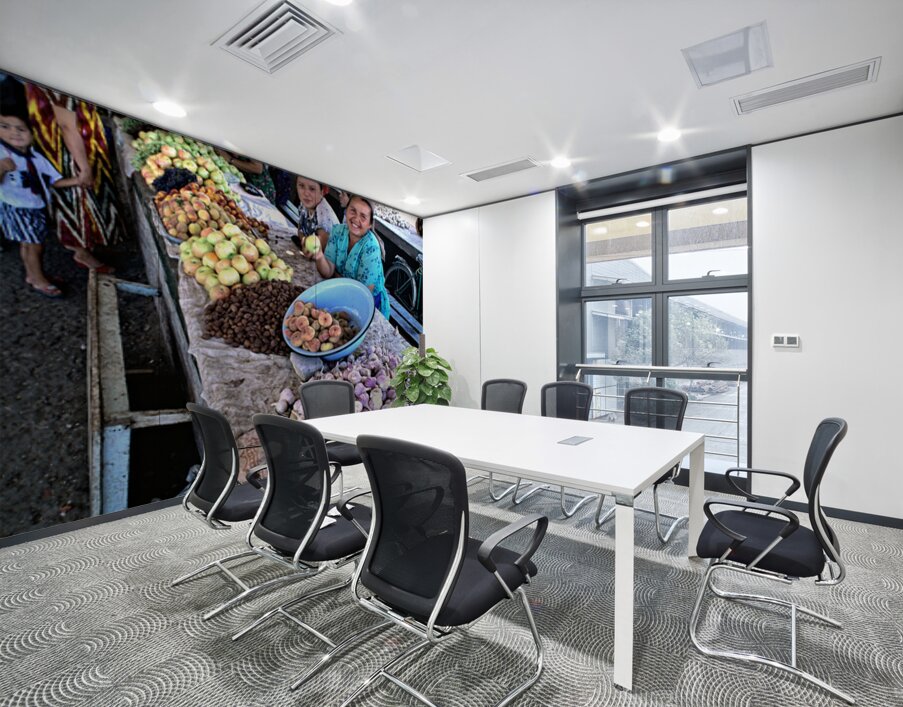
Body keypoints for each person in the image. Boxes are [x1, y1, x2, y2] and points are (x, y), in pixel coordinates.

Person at [25, 82, 118, 272]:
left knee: (78, 201)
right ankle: (81, 252)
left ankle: (86, 246)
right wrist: (84, 167)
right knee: (77, 200)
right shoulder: (55, 78)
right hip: (67, 154)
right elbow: (67, 125)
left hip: (63, 148)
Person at [0, 110, 83, 297]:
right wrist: (2, 168)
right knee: (34, 245)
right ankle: (38, 280)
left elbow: (53, 181)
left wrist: (78, 181)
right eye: (4, 127)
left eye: (21, 129)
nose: (14, 133)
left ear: (34, 133)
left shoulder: (36, 157)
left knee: (29, 244)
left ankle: (32, 275)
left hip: (34, 207)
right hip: (17, 208)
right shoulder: (2, 154)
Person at [305, 195, 390, 320]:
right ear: (346, 211)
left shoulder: (371, 248)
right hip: (343, 294)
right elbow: (328, 272)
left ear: (370, 224)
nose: (356, 218)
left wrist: (338, 276)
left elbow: (363, 294)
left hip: (369, 306)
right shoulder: (337, 232)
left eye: (363, 216)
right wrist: (319, 256)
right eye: (353, 211)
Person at [291, 175, 339, 252]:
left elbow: (318, 251)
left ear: (322, 192)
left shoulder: (324, 217)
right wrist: (304, 241)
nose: (306, 193)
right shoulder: (305, 204)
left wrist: (304, 242)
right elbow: (300, 231)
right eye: (301, 186)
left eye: (312, 189)